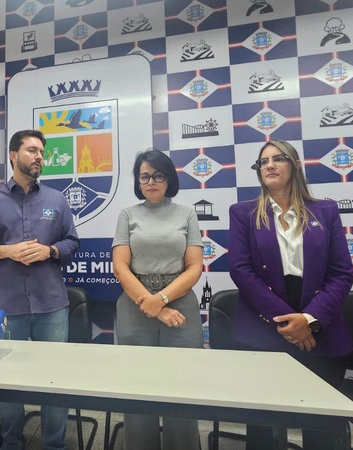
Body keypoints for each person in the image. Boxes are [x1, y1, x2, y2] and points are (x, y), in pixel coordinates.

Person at [227, 140, 353, 449]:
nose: (269, 165)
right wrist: (288, 322)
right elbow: (241, 271)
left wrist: (308, 320)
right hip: (263, 323)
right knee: (263, 427)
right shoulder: (243, 213)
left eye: (278, 158)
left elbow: (341, 273)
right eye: (263, 162)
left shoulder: (325, 211)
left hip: (319, 324)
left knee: (322, 426)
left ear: (295, 165)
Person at [0, 129, 79, 450]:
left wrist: (49, 251)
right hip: (6, 304)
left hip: (50, 303)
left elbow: (72, 242)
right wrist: (6, 251)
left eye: (41, 151)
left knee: (53, 377)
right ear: (14, 156)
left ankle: (54, 444)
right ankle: (11, 443)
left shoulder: (56, 199)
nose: (39, 156)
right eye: (32, 150)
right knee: (8, 378)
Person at [111, 149, 204, 450]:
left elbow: (195, 267)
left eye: (158, 175)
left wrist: (162, 299)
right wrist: (153, 305)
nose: (151, 182)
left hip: (180, 302)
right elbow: (120, 267)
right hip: (135, 301)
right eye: (144, 177)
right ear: (138, 182)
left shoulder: (186, 213)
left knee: (183, 388)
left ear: (169, 179)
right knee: (138, 388)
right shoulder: (128, 214)